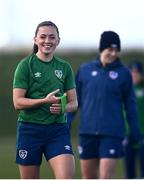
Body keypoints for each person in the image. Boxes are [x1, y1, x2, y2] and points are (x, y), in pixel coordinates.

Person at [67, 31, 140, 179]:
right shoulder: (85, 70)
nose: (113, 53)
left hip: (112, 133)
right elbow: (75, 101)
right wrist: (66, 122)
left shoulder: (124, 73)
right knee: (88, 177)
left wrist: (135, 130)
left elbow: (130, 105)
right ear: (102, 49)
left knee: (106, 175)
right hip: (87, 132)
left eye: (116, 50)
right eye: (110, 49)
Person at [13, 21, 78, 179]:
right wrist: (44, 101)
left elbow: (74, 103)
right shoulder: (25, 66)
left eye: (51, 37)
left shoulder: (64, 67)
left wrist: (64, 108)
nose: (47, 41)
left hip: (57, 130)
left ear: (58, 41)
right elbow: (17, 102)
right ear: (35, 39)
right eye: (43, 37)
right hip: (29, 130)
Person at [123, 61, 144, 178]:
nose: (134, 75)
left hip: (142, 133)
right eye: (132, 72)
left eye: (137, 72)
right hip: (128, 134)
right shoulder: (124, 90)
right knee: (129, 169)